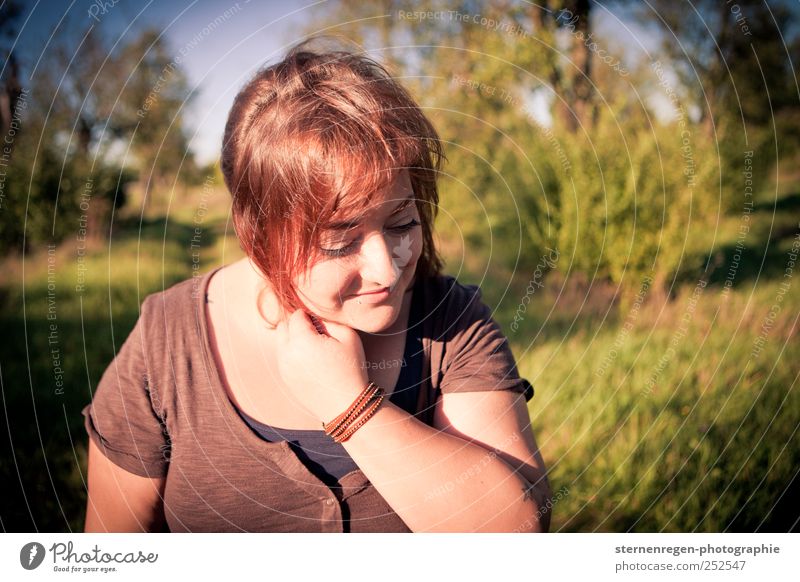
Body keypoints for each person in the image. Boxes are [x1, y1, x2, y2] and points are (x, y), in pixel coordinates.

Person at [82, 39, 551, 533]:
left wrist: (351, 408)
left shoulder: (451, 322)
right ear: (259, 232)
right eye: (338, 242)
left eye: (401, 223)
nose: (387, 271)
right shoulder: (168, 342)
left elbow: (517, 532)